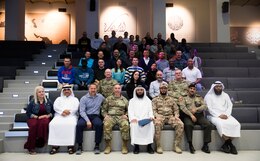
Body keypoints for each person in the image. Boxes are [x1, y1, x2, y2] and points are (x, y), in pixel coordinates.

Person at [204, 81, 241, 155]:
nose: (218, 88)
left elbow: (230, 106)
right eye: (217, 86)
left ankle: (225, 145)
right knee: (221, 124)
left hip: (226, 115)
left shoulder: (226, 95)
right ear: (214, 87)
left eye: (220, 86)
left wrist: (226, 115)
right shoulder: (209, 96)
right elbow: (209, 108)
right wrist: (218, 115)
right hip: (213, 116)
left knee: (237, 124)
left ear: (222, 87)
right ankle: (231, 145)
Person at [178, 83, 212, 154]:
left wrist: (196, 109)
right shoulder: (183, 97)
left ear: (195, 90)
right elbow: (182, 107)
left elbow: (205, 106)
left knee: (208, 124)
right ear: (188, 90)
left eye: (194, 89)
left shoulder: (199, 97)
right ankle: (190, 144)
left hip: (199, 115)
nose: (192, 90)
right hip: (187, 116)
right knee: (188, 125)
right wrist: (191, 115)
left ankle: (205, 145)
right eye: (191, 89)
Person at [152, 82, 184, 154]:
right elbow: (153, 110)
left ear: (167, 89)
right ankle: (158, 146)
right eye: (162, 88)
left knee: (180, 124)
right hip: (160, 116)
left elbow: (176, 109)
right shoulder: (155, 99)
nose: (163, 90)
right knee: (157, 124)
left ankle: (176, 145)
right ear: (159, 89)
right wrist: (157, 116)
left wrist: (176, 116)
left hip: (170, 117)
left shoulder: (171, 99)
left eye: (165, 88)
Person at [48, 85, 79, 155]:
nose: (66, 91)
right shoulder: (58, 99)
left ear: (71, 91)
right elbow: (55, 107)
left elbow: (76, 108)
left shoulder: (75, 99)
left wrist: (69, 112)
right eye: (65, 90)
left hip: (71, 116)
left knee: (71, 124)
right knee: (53, 124)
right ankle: (55, 146)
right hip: (59, 115)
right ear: (63, 91)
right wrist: (62, 112)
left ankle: (70, 146)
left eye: (68, 90)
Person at [75, 84, 105, 155]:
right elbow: (82, 111)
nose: (93, 90)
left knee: (99, 124)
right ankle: (79, 146)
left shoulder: (100, 97)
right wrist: (87, 120)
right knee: (79, 125)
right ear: (89, 89)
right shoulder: (83, 98)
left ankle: (97, 145)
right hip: (85, 116)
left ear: (96, 89)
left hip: (95, 116)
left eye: (94, 88)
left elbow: (107, 102)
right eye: (91, 88)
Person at [24, 86, 53, 155]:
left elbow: (53, 111)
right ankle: (31, 147)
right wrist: (37, 117)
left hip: (45, 117)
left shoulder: (48, 101)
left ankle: (41, 141)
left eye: (43, 91)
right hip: (34, 117)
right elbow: (28, 113)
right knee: (34, 125)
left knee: (45, 123)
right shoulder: (32, 102)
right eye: (39, 92)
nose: (41, 93)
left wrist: (48, 115)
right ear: (36, 93)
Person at [101, 84, 129, 154]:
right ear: (113, 89)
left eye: (118, 88)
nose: (117, 90)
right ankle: (108, 146)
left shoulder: (124, 100)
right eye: (115, 88)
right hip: (111, 117)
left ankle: (124, 146)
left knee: (125, 124)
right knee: (106, 124)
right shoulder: (108, 99)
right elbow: (103, 109)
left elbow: (129, 110)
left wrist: (126, 115)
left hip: (121, 117)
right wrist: (105, 115)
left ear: (121, 90)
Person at [128, 86, 155, 154]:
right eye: (138, 90)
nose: (140, 91)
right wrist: (133, 118)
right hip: (136, 119)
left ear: (144, 91)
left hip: (146, 119)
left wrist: (151, 117)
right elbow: (130, 111)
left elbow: (150, 111)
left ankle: (149, 146)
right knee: (134, 125)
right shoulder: (132, 101)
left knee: (151, 125)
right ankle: (136, 146)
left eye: (141, 90)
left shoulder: (148, 100)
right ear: (135, 91)